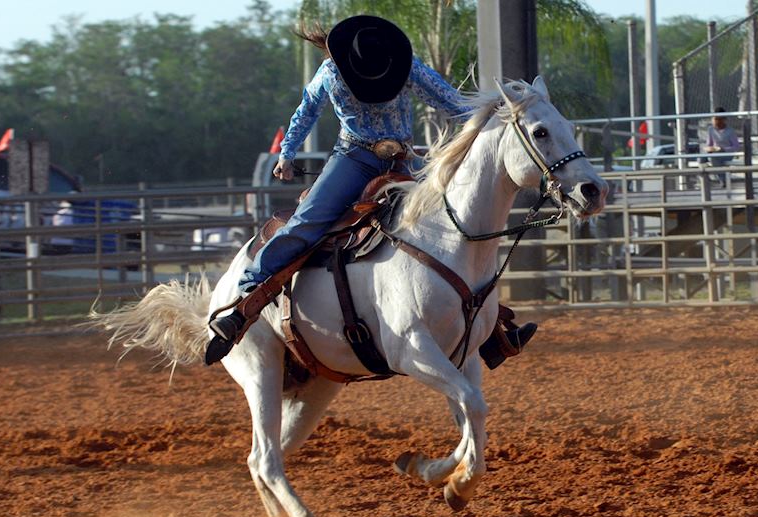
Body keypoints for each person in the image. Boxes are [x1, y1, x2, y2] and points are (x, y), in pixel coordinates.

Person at [207, 15, 536, 366]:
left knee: (452, 225)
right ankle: (246, 298)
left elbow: (453, 104)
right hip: (354, 159)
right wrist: (287, 153)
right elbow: (306, 112)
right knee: (308, 223)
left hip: (403, 160)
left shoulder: (405, 67)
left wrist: (500, 116)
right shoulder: (331, 74)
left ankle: (488, 331)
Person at [702, 106, 740, 187]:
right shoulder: (711, 129)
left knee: (714, 158)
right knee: (701, 158)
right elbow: (709, 143)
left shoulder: (730, 131)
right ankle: (705, 179)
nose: (716, 122)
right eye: (715, 119)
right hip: (715, 152)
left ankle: (723, 180)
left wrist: (723, 149)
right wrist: (709, 148)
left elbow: (736, 146)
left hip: (727, 154)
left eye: (718, 119)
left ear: (724, 120)